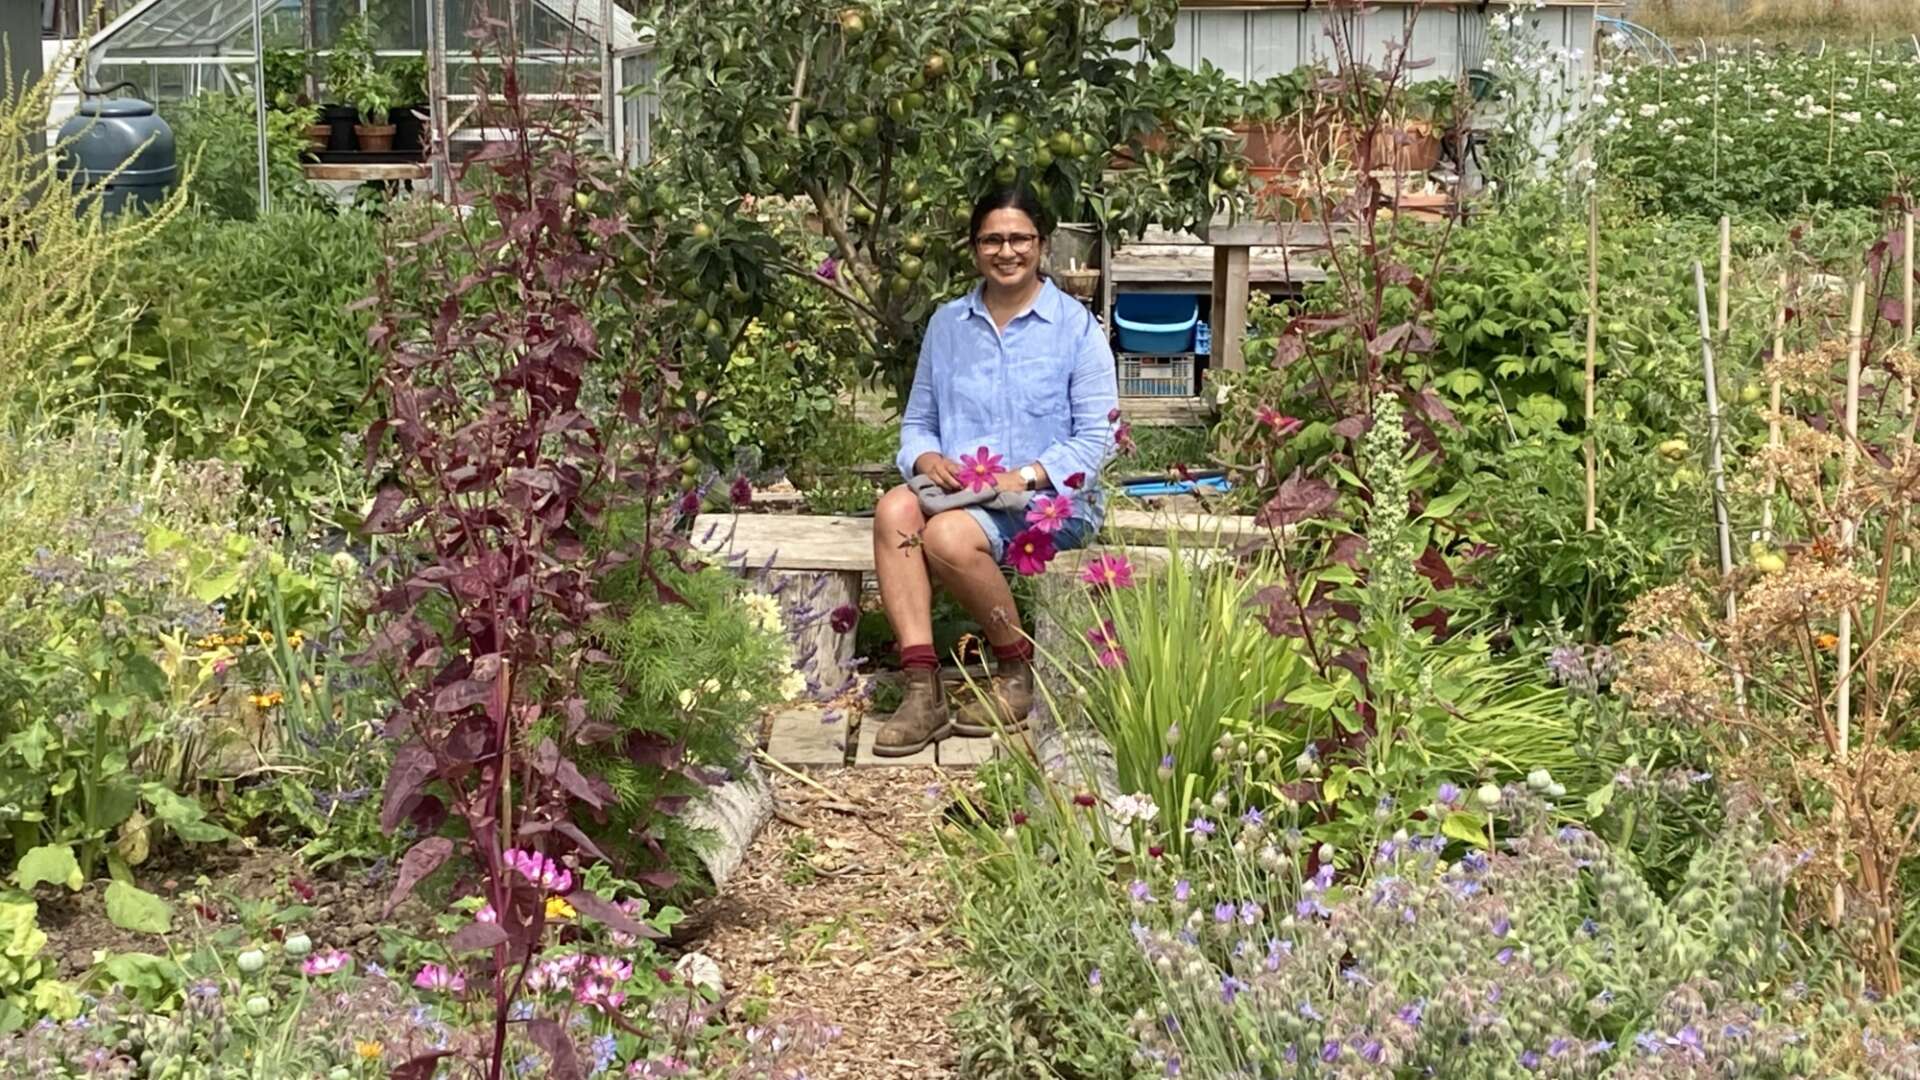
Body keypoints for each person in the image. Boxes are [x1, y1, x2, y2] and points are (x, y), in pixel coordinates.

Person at [868, 184, 1119, 757]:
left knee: (947, 535)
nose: (1007, 251)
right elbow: (918, 422)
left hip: (1049, 504)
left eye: (1020, 238)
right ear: (974, 248)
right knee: (894, 510)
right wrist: (925, 458)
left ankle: (1015, 669)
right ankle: (921, 686)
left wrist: (1025, 477)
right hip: (961, 493)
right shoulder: (948, 325)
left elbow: (1097, 436)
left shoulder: (1076, 329)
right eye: (992, 240)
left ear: (1042, 245)